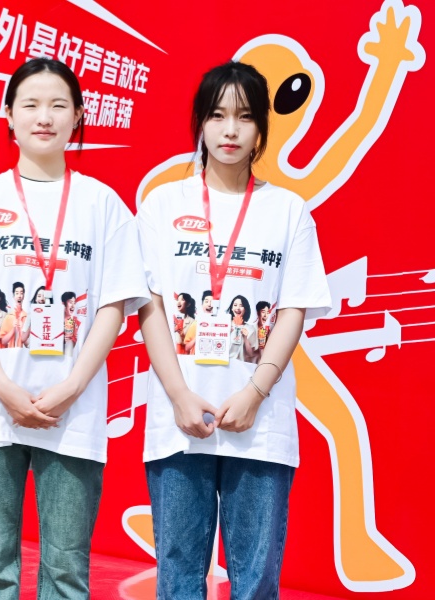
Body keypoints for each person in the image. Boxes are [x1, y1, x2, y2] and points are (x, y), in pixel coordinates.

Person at [136, 61, 331, 600]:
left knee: (256, 582)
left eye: (244, 117)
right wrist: (179, 395)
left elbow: (293, 308)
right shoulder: (162, 205)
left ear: (261, 127)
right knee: (178, 578)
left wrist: (254, 392)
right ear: (200, 122)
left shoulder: (288, 211)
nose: (230, 130)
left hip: (260, 420)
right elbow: (150, 304)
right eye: (217, 115)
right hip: (179, 419)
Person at [0, 57, 148, 599]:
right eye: (31, 104)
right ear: (8, 114)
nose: (44, 117)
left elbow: (112, 306)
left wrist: (72, 386)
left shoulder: (103, 204)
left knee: (67, 572)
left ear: (78, 116)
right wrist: (2, 386)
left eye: (58, 105)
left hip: (73, 409)